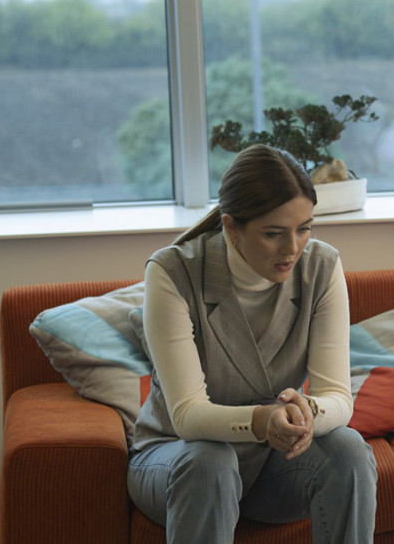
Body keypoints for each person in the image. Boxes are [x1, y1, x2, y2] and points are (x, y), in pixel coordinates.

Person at [127, 144, 377, 544]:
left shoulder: (322, 267)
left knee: (348, 449)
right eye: (273, 234)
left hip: (272, 469)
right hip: (177, 459)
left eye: (304, 228)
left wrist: (307, 413)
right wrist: (262, 420)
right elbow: (187, 416)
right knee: (210, 459)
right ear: (231, 227)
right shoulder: (173, 272)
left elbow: (338, 398)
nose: (292, 248)